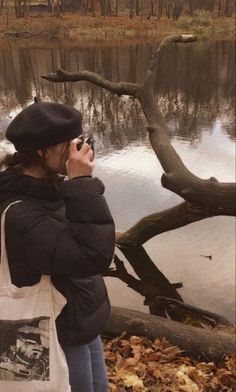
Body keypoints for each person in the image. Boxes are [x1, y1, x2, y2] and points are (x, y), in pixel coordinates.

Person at [0, 101, 115, 392]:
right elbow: (93, 256)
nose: (78, 149)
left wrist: (76, 187)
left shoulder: (49, 187)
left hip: (79, 322)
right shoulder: (20, 213)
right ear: (42, 152)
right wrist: (82, 183)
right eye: (69, 144)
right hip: (53, 332)